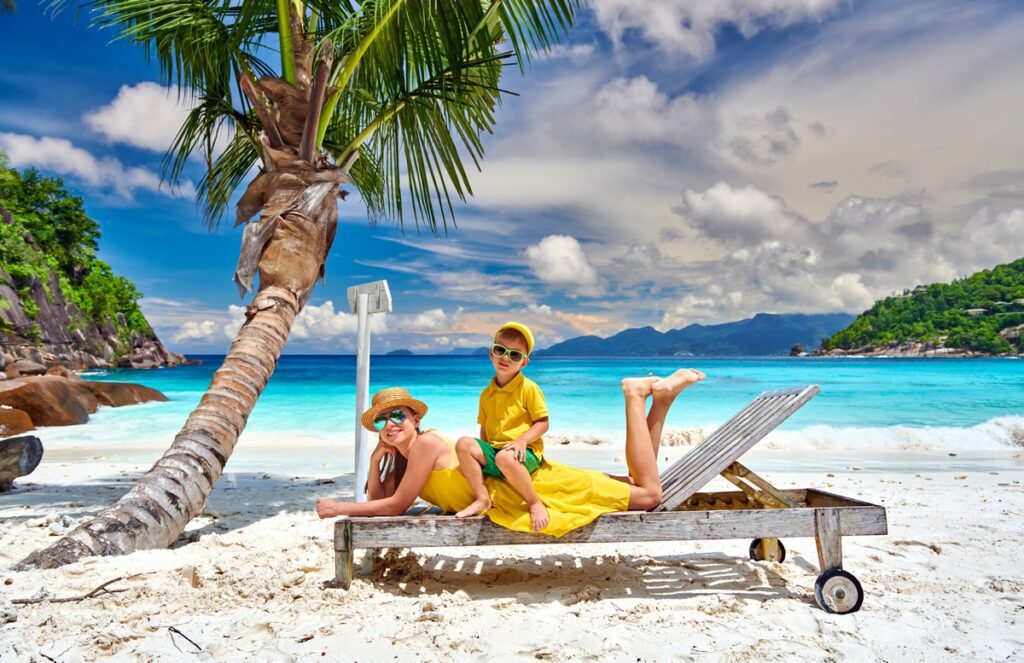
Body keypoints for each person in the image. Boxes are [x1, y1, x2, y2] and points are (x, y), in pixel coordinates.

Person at [315, 368, 706, 537]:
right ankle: (661, 400)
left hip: (533, 490)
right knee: (640, 485)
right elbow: (382, 502)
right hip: (518, 492)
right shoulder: (403, 457)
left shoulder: (428, 445)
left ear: (415, 418)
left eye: (398, 415)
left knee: (649, 494)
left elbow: (395, 506)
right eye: (382, 420)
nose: (391, 424)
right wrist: (375, 461)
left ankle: (636, 396)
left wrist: (339, 507)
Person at [454, 321, 550, 531]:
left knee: (505, 457)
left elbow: (543, 423)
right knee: (463, 443)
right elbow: (485, 429)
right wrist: (482, 456)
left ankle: (534, 502)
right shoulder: (486, 394)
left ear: (524, 362)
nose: (505, 358)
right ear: (491, 353)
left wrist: (522, 440)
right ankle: (482, 499)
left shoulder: (529, 388)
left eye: (514, 355)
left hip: (525, 453)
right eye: (500, 350)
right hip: (497, 452)